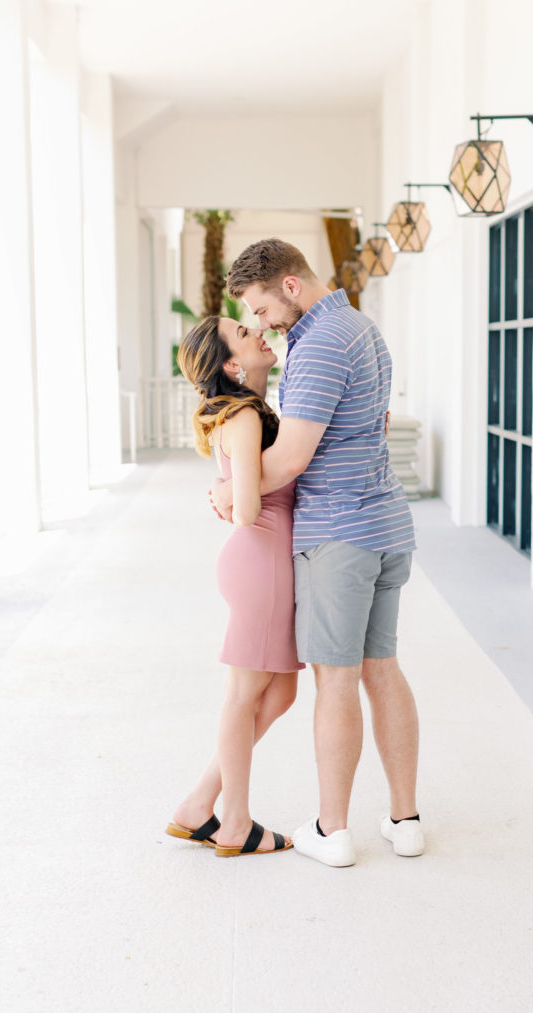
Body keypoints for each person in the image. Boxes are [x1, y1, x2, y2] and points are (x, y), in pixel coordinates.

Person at [212, 238, 424, 867]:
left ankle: (332, 831)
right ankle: (404, 821)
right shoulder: (359, 327)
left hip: (339, 537)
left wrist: (232, 488)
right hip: (385, 526)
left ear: (290, 286)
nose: (260, 322)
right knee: (381, 667)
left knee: (337, 678)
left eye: (260, 306)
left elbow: (292, 458)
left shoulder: (321, 344)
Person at [165, 314, 303, 857]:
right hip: (260, 562)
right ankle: (236, 822)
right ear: (231, 364)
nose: (256, 330)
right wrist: (232, 489)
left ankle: (199, 803)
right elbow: (246, 509)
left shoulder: (249, 412)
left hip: (262, 564)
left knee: (281, 691)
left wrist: (231, 485)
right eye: (243, 334)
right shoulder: (244, 415)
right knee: (244, 695)